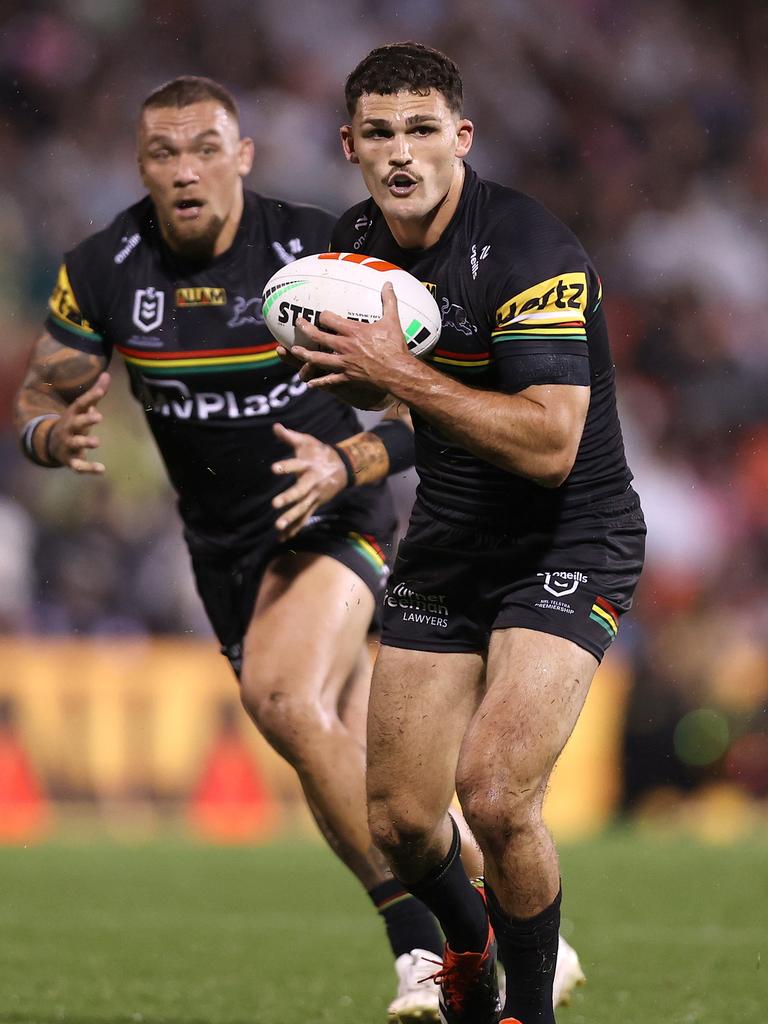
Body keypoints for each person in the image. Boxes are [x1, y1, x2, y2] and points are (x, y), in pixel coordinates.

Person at [13, 74, 454, 1023]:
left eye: (206, 148)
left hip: (334, 512)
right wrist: (50, 435)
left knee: (283, 699)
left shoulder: (317, 254)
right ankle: (510, 918)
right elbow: (41, 400)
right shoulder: (102, 268)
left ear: (243, 156)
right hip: (221, 552)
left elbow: (440, 406)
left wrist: (351, 463)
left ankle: (426, 947)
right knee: (384, 770)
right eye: (163, 154)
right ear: (138, 168)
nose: (186, 171)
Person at [288, 42, 646, 1024]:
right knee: (401, 819)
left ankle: (523, 1009)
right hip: (450, 539)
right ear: (350, 144)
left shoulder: (530, 250)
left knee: (492, 793)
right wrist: (345, 399)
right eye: (380, 133)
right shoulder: (358, 242)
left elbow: (547, 443)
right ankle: (469, 959)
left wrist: (392, 376)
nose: (402, 153)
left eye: (422, 130)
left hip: (568, 538)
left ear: (463, 137)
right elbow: (394, 394)